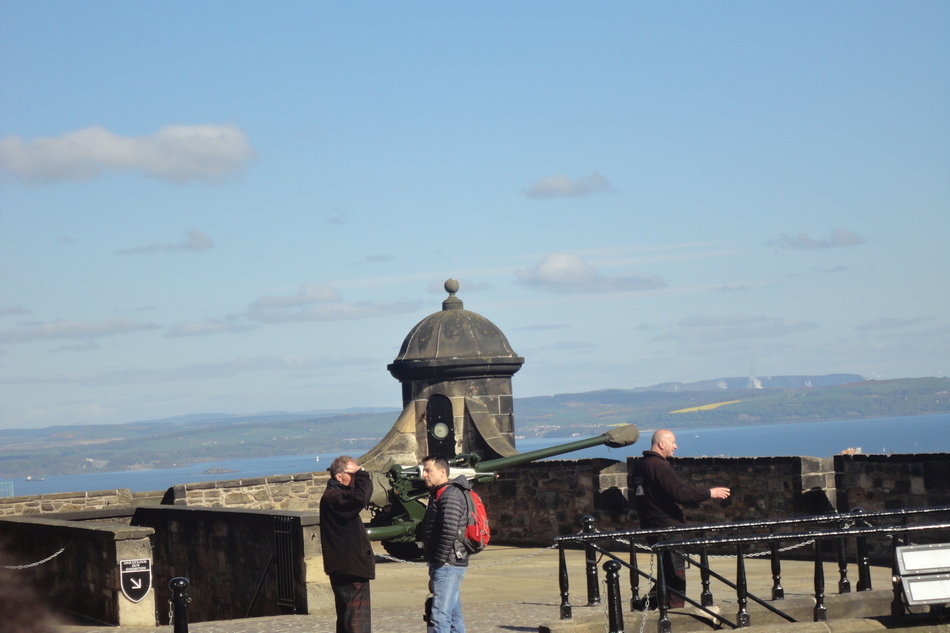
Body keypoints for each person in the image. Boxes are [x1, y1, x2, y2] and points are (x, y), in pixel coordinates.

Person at [633, 429, 731, 609]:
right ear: (661, 444)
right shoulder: (658, 465)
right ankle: (675, 614)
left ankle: (645, 606)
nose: (676, 446)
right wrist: (710, 492)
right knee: (675, 575)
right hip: (667, 528)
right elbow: (680, 493)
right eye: (673, 443)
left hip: (652, 525)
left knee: (667, 572)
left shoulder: (641, 465)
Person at [320, 455, 376, 633]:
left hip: (348, 566)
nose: (355, 477)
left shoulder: (336, 496)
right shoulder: (334, 497)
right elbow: (361, 498)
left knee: (348, 619)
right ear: (339, 476)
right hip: (350, 568)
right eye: (352, 473)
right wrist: (363, 474)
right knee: (354, 620)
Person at [421, 454, 471, 633]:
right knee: (453, 617)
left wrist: (439, 561)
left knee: (439, 617)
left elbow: (449, 530)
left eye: (428, 471)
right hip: (447, 562)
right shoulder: (439, 494)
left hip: (448, 563)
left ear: (442, 472)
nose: (424, 475)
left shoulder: (450, 495)